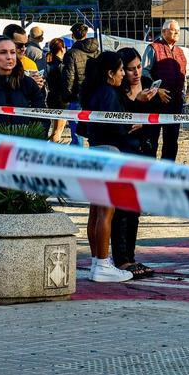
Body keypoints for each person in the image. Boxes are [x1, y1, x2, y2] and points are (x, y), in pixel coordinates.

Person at [111, 47, 171, 278]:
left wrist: (157, 99)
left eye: (138, 67)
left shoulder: (148, 82)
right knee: (122, 208)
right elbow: (122, 119)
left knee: (135, 207)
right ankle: (121, 259)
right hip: (124, 152)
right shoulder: (116, 90)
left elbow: (158, 117)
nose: (136, 73)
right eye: (130, 69)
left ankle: (131, 257)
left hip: (146, 148)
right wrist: (137, 104)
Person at [79, 51, 136, 282]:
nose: (124, 74)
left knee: (96, 211)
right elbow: (115, 126)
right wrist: (130, 127)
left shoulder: (93, 92)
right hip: (109, 153)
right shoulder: (108, 94)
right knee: (105, 212)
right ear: (110, 73)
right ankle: (102, 264)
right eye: (121, 70)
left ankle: (97, 262)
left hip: (94, 151)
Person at [141, 19, 188, 162]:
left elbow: (183, 74)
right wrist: (157, 91)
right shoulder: (153, 48)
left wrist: (184, 93)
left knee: (171, 142)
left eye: (178, 31)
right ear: (163, 32)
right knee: (151, 141)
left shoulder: (180, 51)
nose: (176, 33)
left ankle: (167, 172)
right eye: (173, 30)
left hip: (175, 104)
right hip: (155, 103)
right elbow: (145, 73)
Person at [63, 23, 100, 146]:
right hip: (94, 93)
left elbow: (69, 76)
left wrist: (66, 95)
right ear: (86, 34)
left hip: (77, 95)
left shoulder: (71, 53)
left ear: (73, 35)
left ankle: (78, 158)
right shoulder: (97, 51)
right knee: (94, 130)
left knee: (77, 131)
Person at [45, 37, 70, 143]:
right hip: (61, 99)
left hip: (51, 97)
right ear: (62, 49)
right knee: (58, 130)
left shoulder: (49, 64)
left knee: (55, 129)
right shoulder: (61, 65)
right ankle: (52, 149)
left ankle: (51, 146)